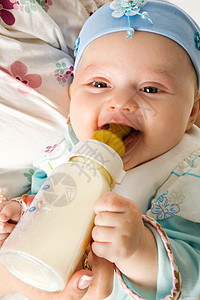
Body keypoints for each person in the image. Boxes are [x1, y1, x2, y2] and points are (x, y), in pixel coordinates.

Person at [1, 0, 200, 299]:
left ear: (192, 112)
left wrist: (140, 251)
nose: (120, 101)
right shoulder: (69, 154)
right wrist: (23, 215)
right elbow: (49, 200)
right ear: (71, 96)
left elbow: (194, 271)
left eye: (150, 89)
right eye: (99, 84)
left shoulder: (187, 168)